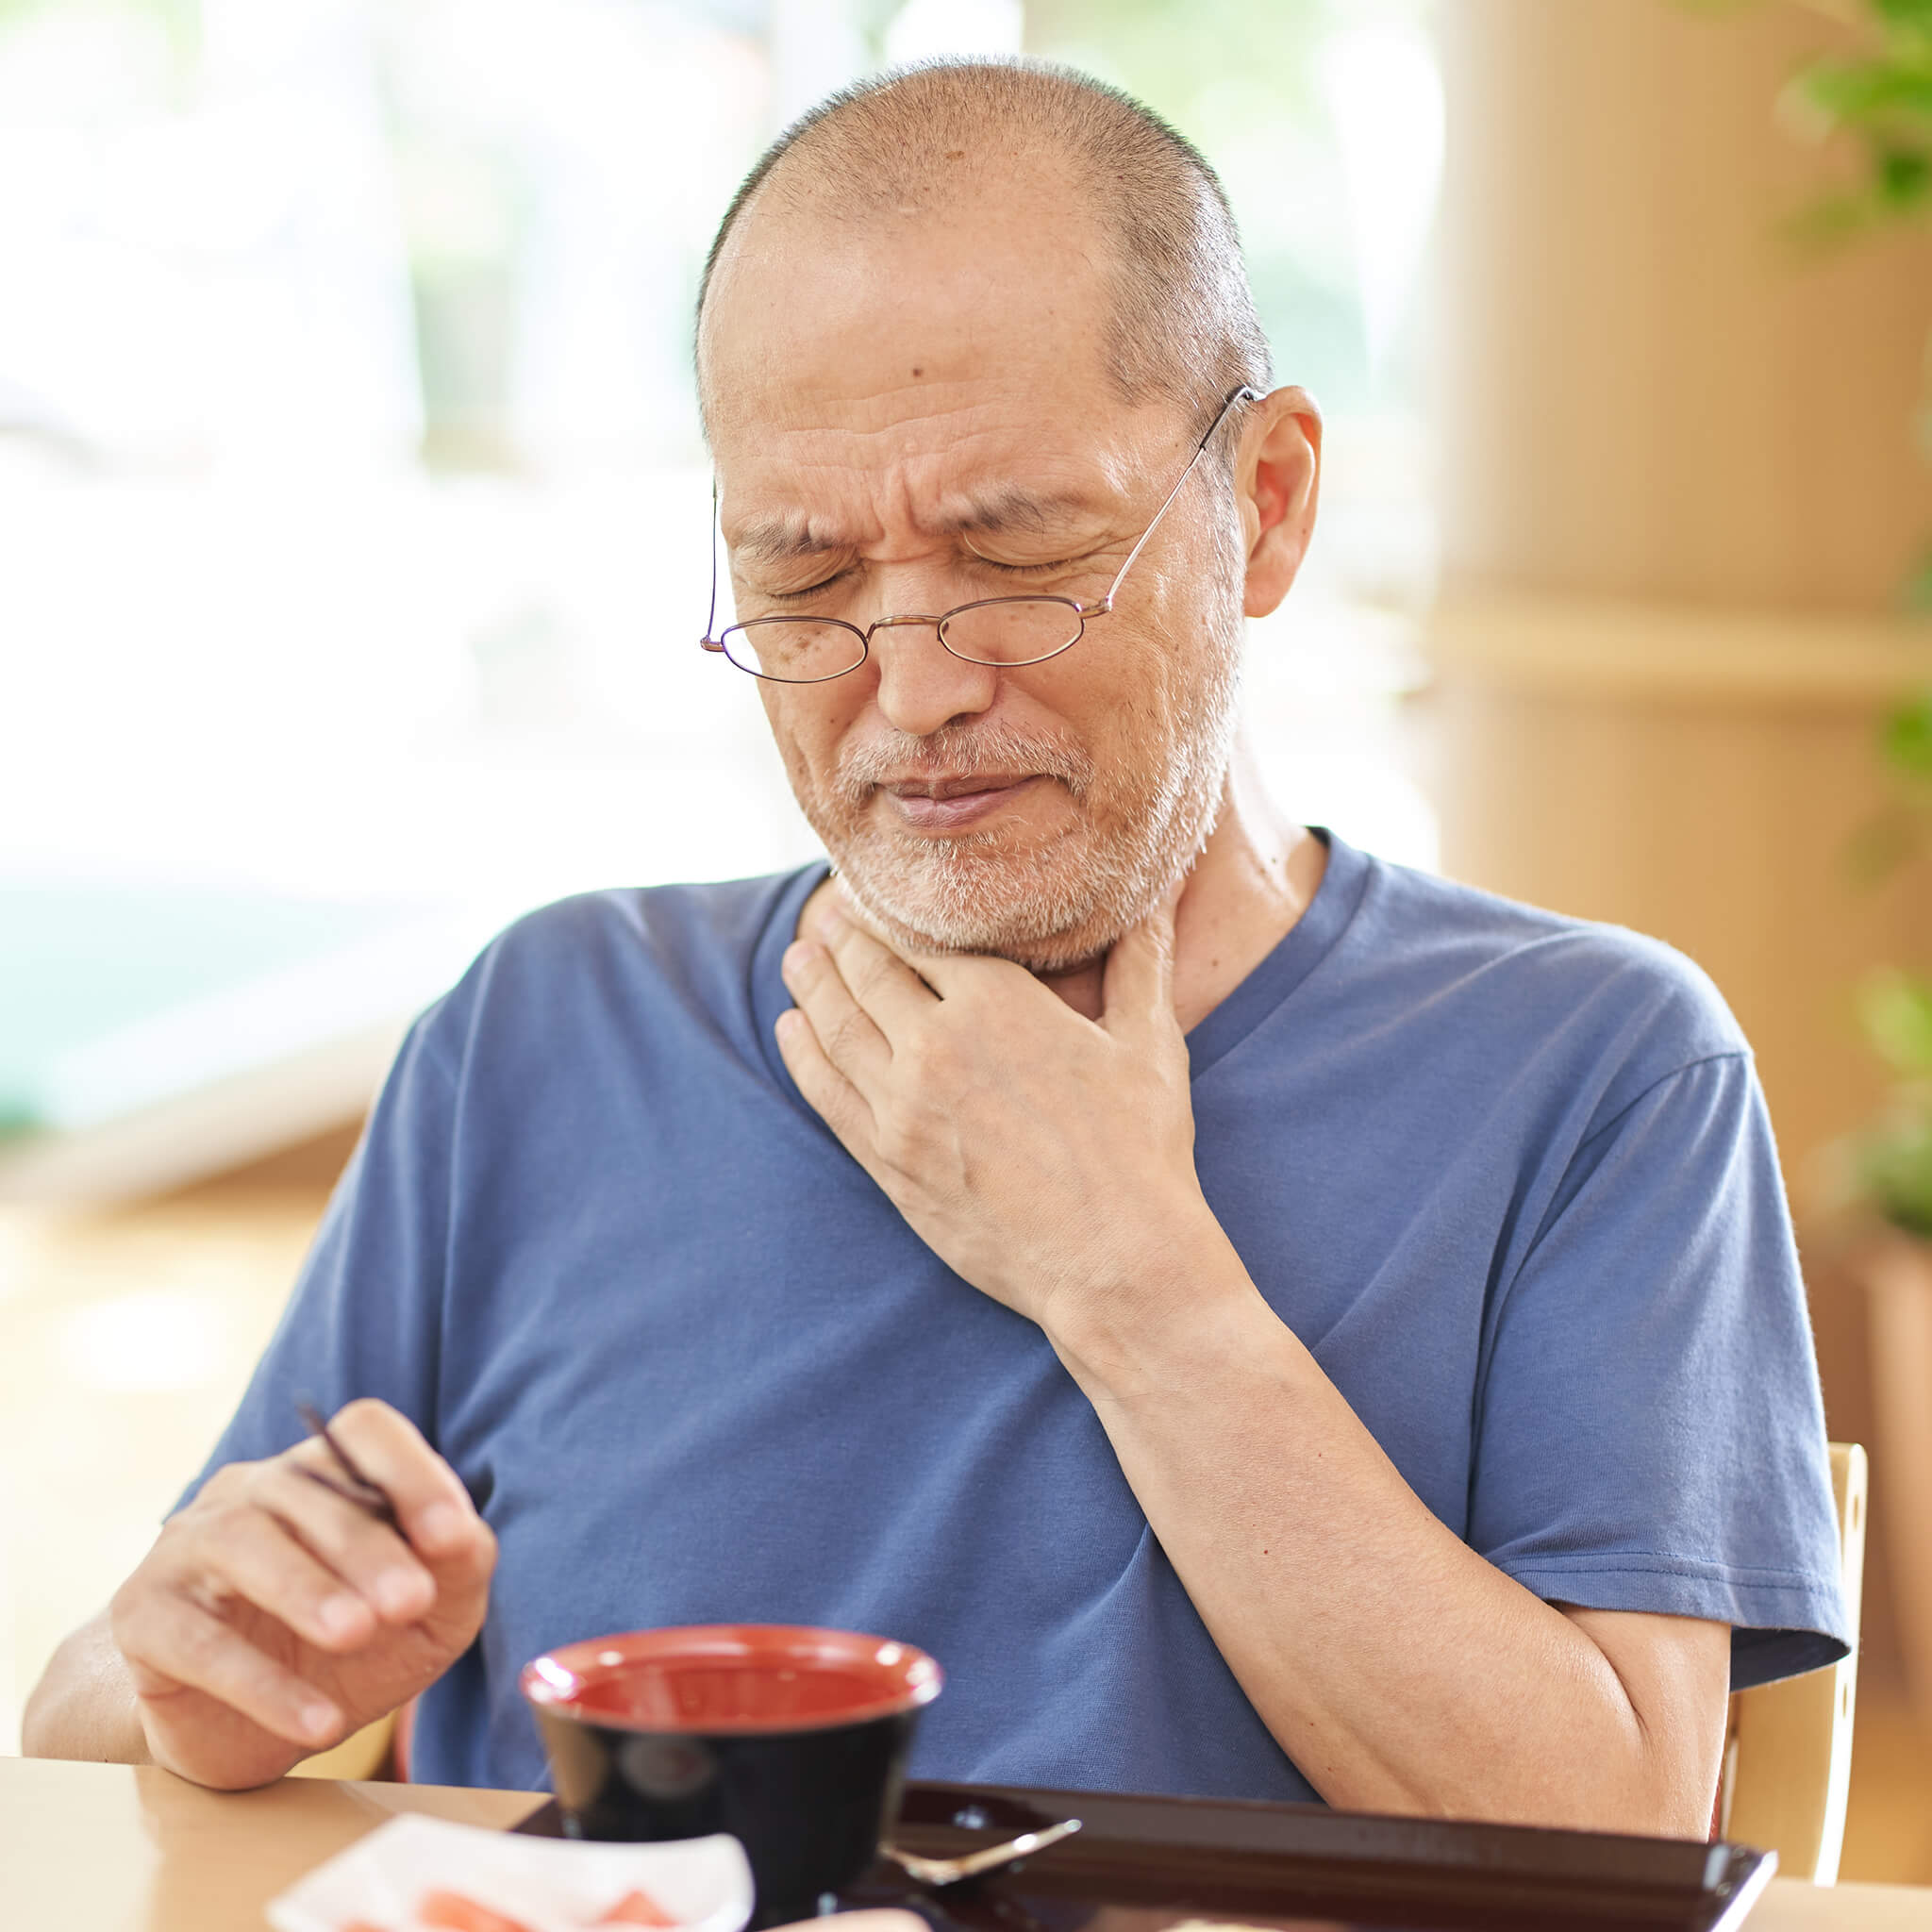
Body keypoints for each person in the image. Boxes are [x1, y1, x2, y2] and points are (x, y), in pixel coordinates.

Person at [25, 60, 1846, 1833]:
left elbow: (1613, 1830)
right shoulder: (545, 1027)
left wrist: (1134, 1278)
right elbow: (104, 1709)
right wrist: (195, 1688)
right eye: (804, 579)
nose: (908, 688)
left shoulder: (1591, 1067)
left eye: (1014, 549)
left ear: (1267, 504)